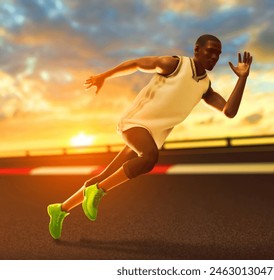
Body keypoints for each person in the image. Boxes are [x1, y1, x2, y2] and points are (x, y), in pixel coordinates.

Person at [47, 34, 253, 239]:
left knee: (104, 175)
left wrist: (242, 78)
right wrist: (104, 76)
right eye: (210, 52)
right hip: (135, 123)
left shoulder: (204, 87)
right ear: (197, 50)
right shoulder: (174, 64)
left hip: (152, 135)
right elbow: (136, 63)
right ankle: (98, 191)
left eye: (218, 54)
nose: (214, 57)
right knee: (149, 158)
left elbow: (229, 111)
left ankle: (60, 209)